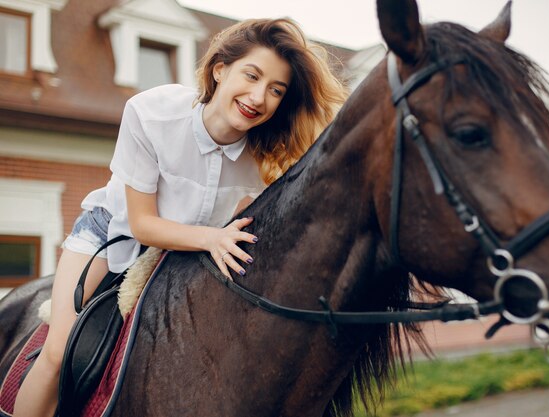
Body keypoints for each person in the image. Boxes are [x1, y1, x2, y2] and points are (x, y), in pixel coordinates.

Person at [14, 18, 347, 417]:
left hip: (189, 257)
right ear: (220, 69)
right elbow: (142, 224)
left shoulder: (271, 157)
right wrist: (212, 238)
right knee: (59, 349)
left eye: (276, 90)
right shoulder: (151, 113)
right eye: (252, 75)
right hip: (113, 235)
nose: (259, 97)